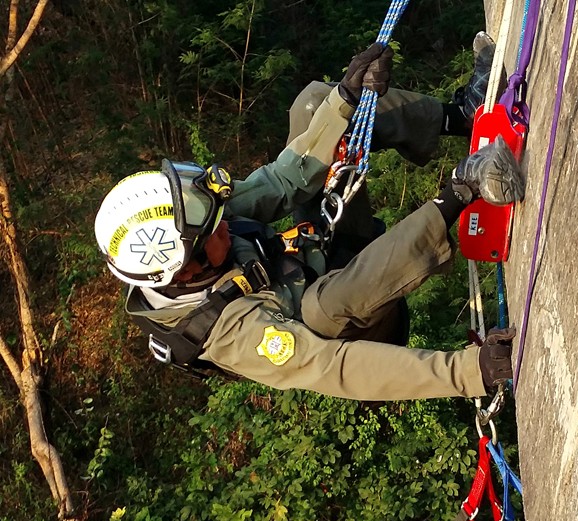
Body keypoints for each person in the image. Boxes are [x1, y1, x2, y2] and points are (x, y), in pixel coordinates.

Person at [94, 36, 521, 402]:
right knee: (323, 305)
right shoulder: (229, 335)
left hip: (321, 251)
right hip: (354, 329)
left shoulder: (199, 218)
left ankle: (456, 116)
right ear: (187, 269)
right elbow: (336, 367)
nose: (226, 222)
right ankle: (462, 191)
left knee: (316, 103)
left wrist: (344, 100)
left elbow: (282, 181)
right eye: (215, 230)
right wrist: (469, 371)